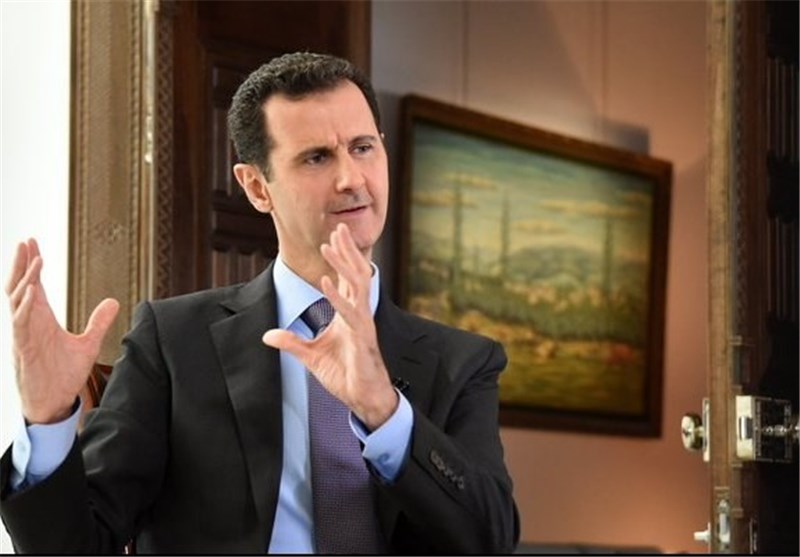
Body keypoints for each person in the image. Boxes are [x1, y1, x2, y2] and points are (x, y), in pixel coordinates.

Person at [0, 52, 519, 554]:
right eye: (317, 157)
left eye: (363, 148)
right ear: (255, 187)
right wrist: (47, 419)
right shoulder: (175, 341)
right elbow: (78, 546)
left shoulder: (463, 362)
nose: (351, 179)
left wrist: (384, 412)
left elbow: (489, 539)